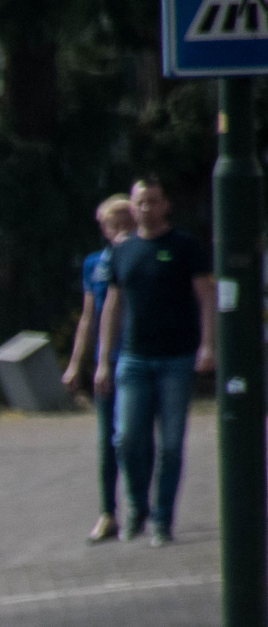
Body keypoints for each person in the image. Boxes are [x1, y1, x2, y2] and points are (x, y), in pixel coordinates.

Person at [96, 175, 215, 545]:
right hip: (132, 360)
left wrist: (207, 345)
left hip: (176, 360)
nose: (146, 208)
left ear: (165, 205)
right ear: (132, 207)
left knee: (171, 444)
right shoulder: (122, 250)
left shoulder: (184, 247)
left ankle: (162, 519)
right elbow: (112, 307)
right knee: (127, 438)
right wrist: (102, 361)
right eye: (140, 202)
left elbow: (206, 297)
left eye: (153, 201)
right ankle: (136, 507)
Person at [61, 195, 135, 542]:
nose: (118, 228)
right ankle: (108, 512)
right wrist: (77, 364)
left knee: (132, 438)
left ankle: (140, 507)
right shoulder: (95, 264)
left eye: (125, 220)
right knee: (107, 440)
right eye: (112, 223)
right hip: (109, 360)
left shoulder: (142, 256)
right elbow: (89, 317)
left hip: (141, 357)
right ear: (103, 229)